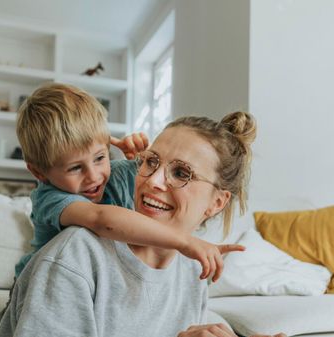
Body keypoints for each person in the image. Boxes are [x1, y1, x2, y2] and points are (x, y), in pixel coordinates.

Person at [0, 111, 290, 337]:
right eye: (151, 162)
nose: (152, 181)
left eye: (181, 173)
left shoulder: (191, 271)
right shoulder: (73, 259)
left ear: (217, 203)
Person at [13, 83, 242, 281]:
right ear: (39, 172)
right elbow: (101, 219)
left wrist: (142, 157)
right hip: (44, 287)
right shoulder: (50, 197)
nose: (94, 176)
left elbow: (159, 173)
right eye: (75, 168)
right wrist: (184, 242)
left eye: (100, 158)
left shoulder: (117, 172)